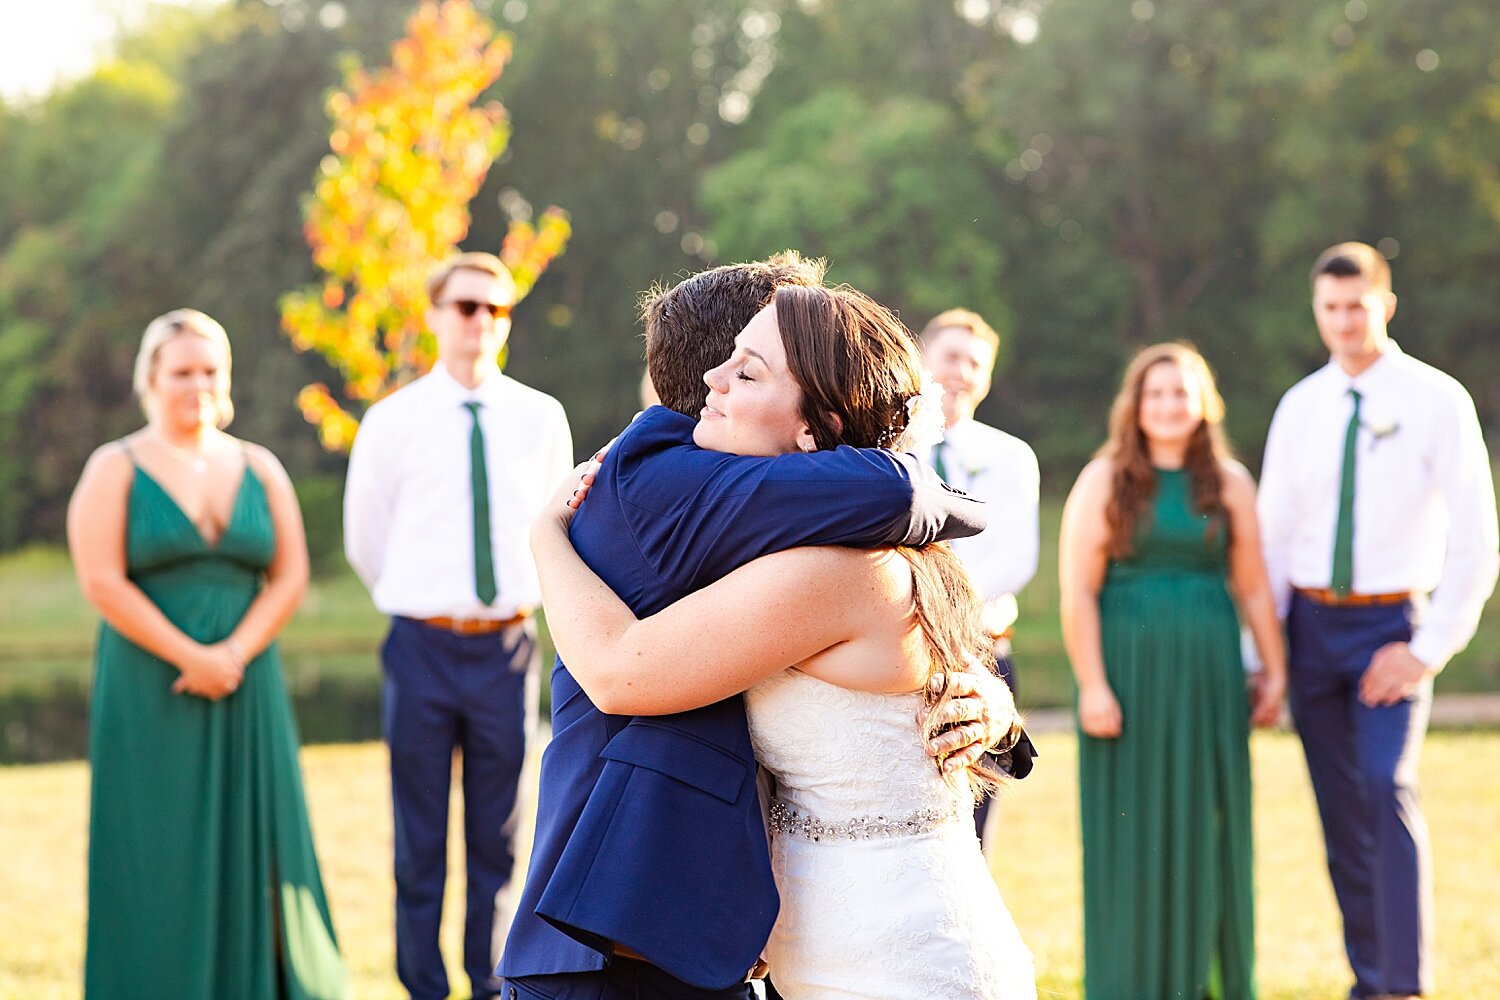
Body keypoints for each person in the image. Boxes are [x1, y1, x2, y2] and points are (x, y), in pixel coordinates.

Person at [499, 256, 1018, 1000]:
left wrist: (994, 706)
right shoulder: (665, 482)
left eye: (754, 367)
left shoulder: (831, 546)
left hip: (844, 938)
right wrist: (543, 531)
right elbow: (618, 672)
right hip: (621, 927)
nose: (725, 381)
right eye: (738, 361)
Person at [67, 309, 347, 1000]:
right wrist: (190, 656)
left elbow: (290, 576)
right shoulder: (117, 466)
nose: (197, 383)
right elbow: (101, 580)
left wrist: (232, 654)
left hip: (246, 681)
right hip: (150, 683)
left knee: (261, 838)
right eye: (182, 371)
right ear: (151, 379)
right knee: (156, 844)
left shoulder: (259, 465)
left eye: (210, 369)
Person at [1257, 243, 1498, 1000]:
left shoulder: (1437, 399)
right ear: (1316, 311)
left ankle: (1404, 985)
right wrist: (1265, 654)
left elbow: (1476, 535)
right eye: (1330, 308)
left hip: (1391, 625)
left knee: (1384, 785)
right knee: (1338, 812)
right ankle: (1368, 980)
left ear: (1385, 304)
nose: (1344, 321)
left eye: (1357, 306)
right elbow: (1273, 536)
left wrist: (1426, 652)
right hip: (1311, 629)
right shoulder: (1300, 407)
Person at [343, 252, 573, 1000]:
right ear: (436, 315)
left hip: (507, 648)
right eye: (468, 307)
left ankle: (490, 983)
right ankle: (421, 986)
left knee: (499, 839)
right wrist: (428, 599)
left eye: (496, 310)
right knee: (419, 838)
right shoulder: (392, 419)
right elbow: (365, 540)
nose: (482, 322)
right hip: (421, 645)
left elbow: (558, 531)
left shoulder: (541, 417)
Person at [1059, 342, 1286, 1000]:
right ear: (1135, 405)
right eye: (1155, 393)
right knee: (1132, 829)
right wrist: (1094, 685)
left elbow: (1253, 588)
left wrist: (1274, 671)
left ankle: (1208, 980)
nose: (1167, 405)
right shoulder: (1105, 479)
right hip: (1127, 676)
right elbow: (1077, 590)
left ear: (1203, 403)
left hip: (1209, 676)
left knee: (1209, 824)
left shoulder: (1230, 482)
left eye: (1180, 392)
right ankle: (1130, 981)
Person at [919, 308, 1041, 848]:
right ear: (922, 358)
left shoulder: (1011, 457)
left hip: (981, 652)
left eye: (976, 363)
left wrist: (942, 611)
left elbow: (1018, 557)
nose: (961, 372)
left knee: (970, 829)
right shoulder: (887, 449)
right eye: (951, 357)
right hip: (901, 657)